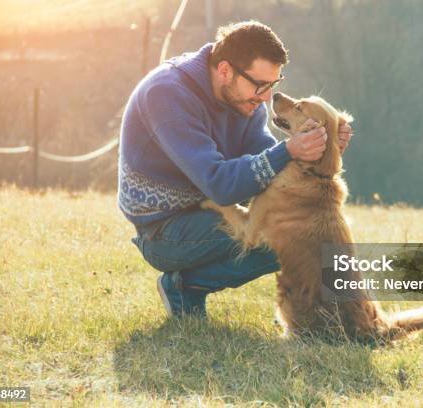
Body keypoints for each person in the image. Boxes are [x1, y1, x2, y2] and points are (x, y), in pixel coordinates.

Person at [118, 20, 353, 317]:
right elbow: (220, 185)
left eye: (273, 85)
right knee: (285, 235)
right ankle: (184, 286)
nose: (267, 97)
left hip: (208, 210)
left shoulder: (245, 100)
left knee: (299, 230)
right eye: (260, 85)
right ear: (226, 70)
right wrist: (289, 150)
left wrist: (321, 151)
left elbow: (265, 164)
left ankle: (345, 317)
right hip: (164, 231)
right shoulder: (167, 95)